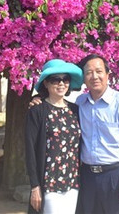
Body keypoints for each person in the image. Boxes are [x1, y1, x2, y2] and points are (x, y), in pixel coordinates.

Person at [75, 54, 119, 214]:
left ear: (108, 74)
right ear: (84, 78)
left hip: (116, 175)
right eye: (89, 72)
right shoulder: (80, 103)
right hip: (88, 177)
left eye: (99, 71)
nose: (94, 76)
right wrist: (38, 98)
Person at [25, 59, 83, 214]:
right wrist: (35, 186)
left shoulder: (75, 110)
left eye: (65, 79)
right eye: (55, 79)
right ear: (46, 83)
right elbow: (30, 150)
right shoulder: (37, 111)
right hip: (49, 184)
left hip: (73, 182)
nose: (61, 83)